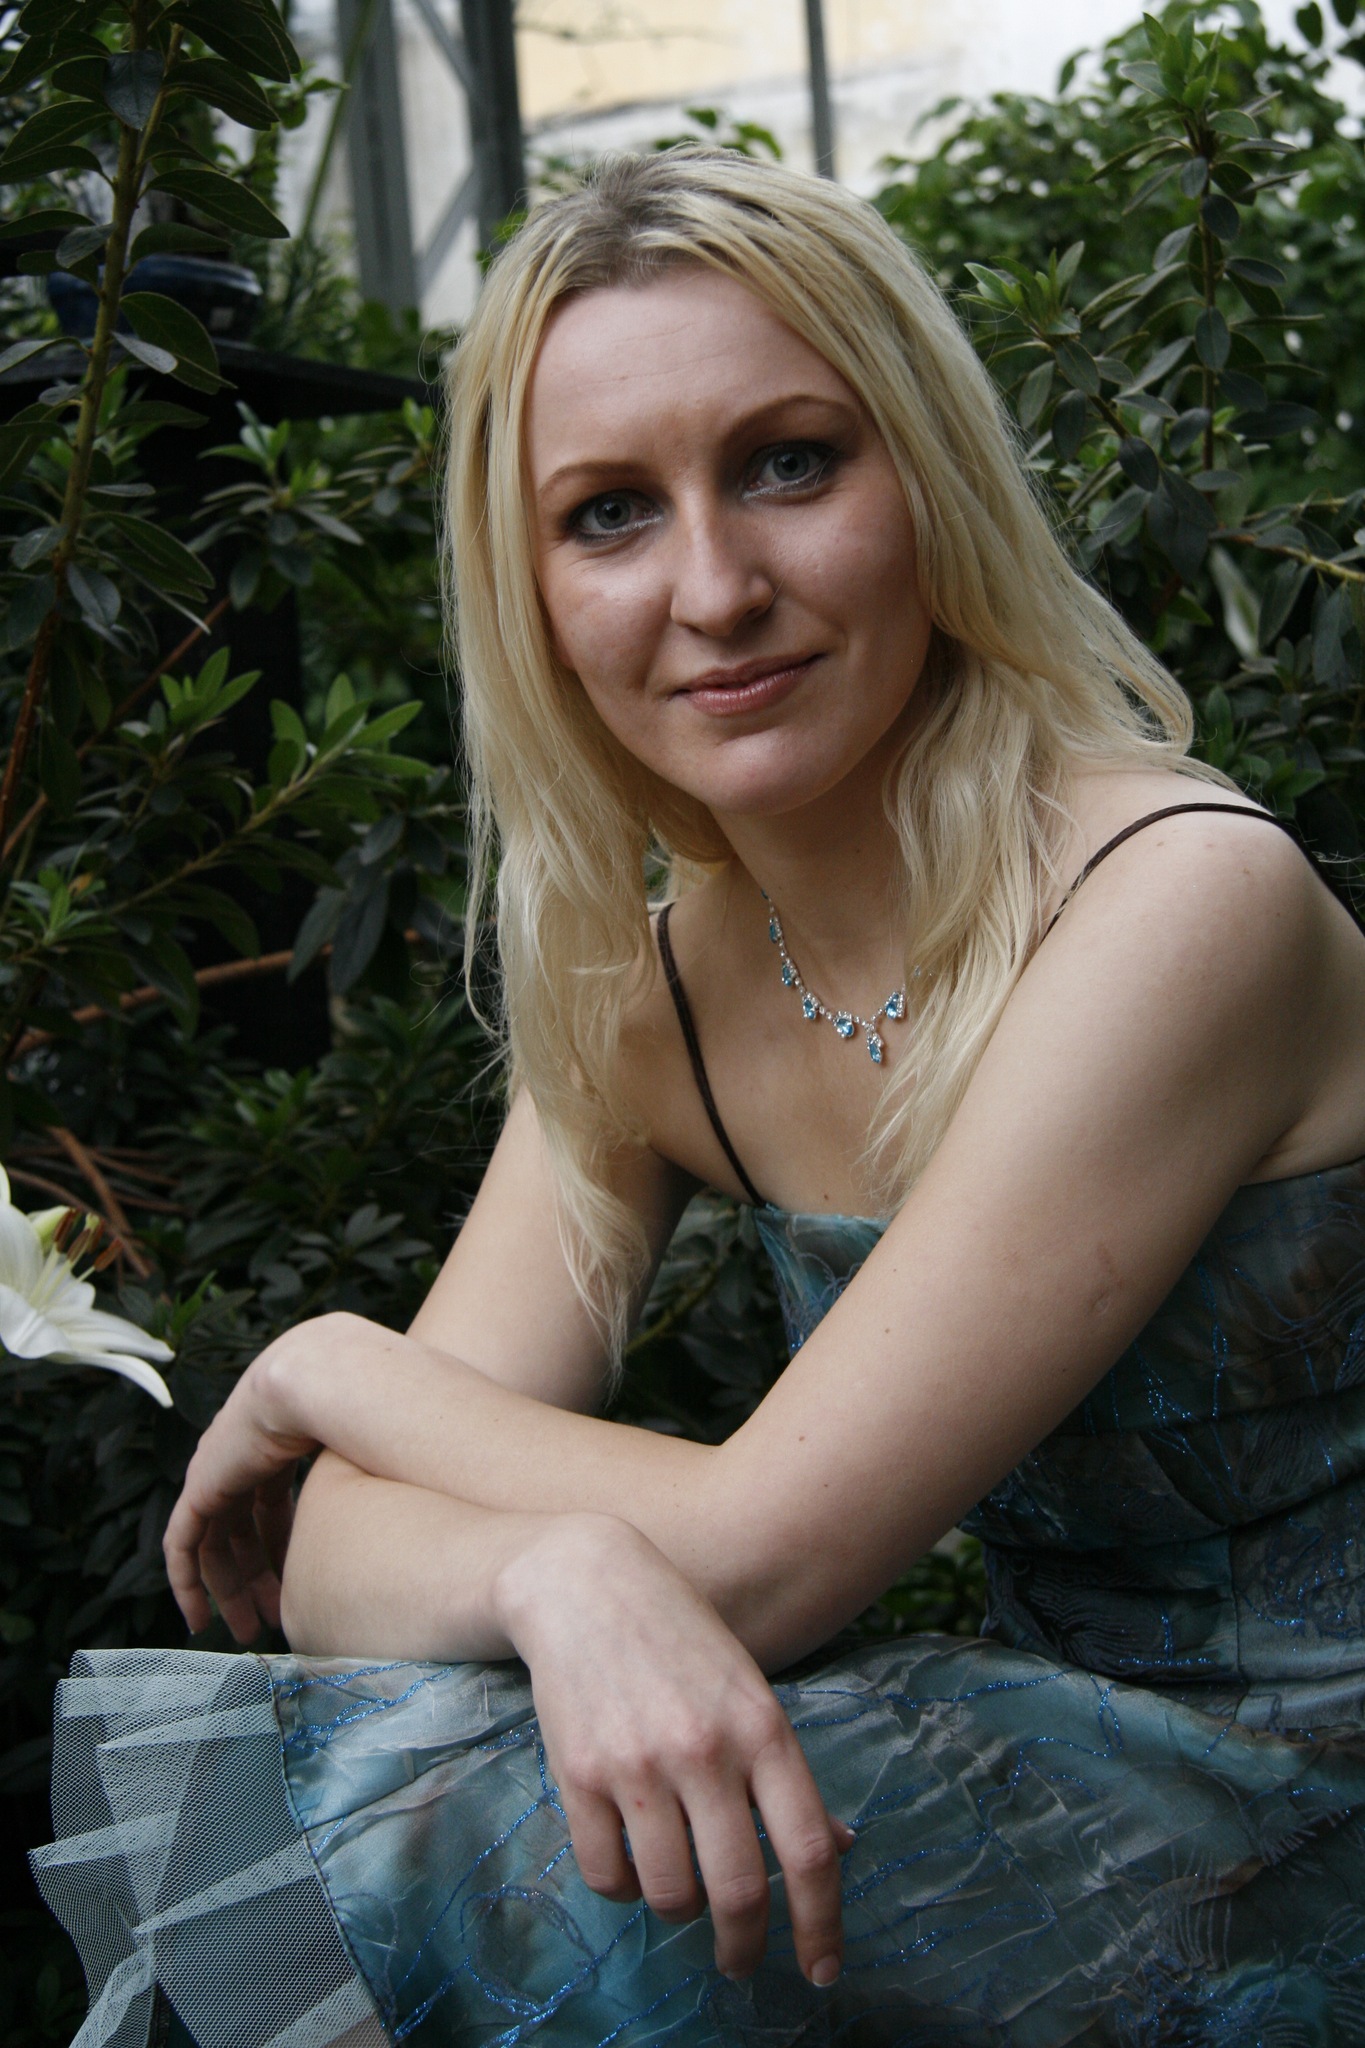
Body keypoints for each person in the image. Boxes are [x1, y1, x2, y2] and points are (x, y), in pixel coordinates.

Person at [32, 146, 1365, 2048]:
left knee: (505, 1850)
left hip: (1317, 1823)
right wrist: (552, 1567)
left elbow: (764, 1554)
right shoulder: (651, 998)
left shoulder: (1173, 902)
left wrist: (330, 1362)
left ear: (929, 479)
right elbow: (327, 1562)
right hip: (1083, 1782)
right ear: (530, 592)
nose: (716, 589)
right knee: (502, 1763)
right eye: (607, 514)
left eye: (789, 464)